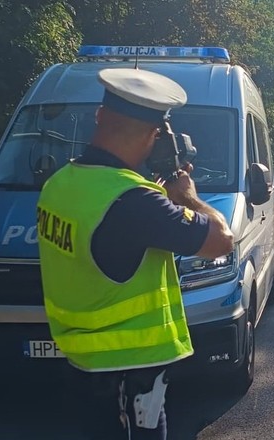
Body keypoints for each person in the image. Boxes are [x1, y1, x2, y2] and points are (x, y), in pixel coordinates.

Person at [36, 67, 234, 439]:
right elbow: (221, 240)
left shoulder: (59, 184)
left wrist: (157, 195)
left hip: (82, 358)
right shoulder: (134, 202)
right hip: (130, 370)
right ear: (154, 135)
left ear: (99, 117)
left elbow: (114, 228)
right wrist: (189, 198)